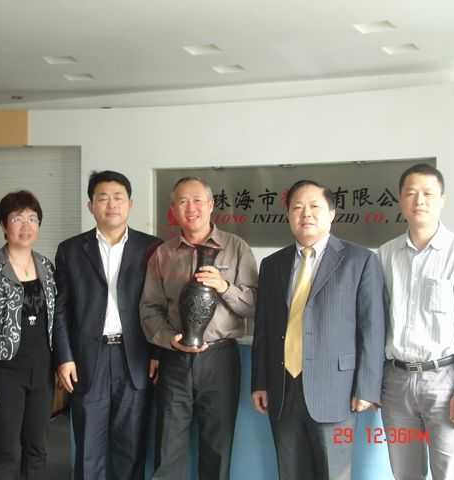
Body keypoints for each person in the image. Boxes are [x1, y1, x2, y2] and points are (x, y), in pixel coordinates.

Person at [251, 179, 386, 480]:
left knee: (333, 472)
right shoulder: (272, 264)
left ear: (332, 213)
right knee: (290, 472)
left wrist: (366, 387)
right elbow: (263, 328)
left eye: (315, 206)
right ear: (288, 215)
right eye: (297, 207)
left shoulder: (360, 260)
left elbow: (373, 328)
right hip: (283, 387)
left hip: (336, 389)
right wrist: (259, 381)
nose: (306, 214)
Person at [378, 164, 454, 480]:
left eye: (428, 194)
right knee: (405, 472)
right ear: (400, 200)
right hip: (396, 382)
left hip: (444, 382)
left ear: (442, 200)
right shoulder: (385, 255)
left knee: (450, 473)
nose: (419, 201)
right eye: (411, 193)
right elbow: (376, 323)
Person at [140, 176, 258, 480]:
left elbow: (255, 304)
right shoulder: (163, 254)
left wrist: (224, 287)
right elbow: (149, 309)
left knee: (217, 446)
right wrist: (169, 339)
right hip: (175, 359)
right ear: (173, 210)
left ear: (210, 205)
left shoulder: (236, 248)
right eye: (182, 202)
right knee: (168, 445)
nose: (190, 208)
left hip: (220, 359)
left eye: (197, 200)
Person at [54, 170, 161, 480]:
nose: (111, 204)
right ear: (91, 206)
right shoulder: (71, 249)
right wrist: (64, 357)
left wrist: (157, 352)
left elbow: (161, 304)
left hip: (135, 358)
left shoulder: (151, 248)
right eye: (102, 198)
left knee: (131, 447)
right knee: (88, 446)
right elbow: (60, 310)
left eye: (118, 197)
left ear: (130, 204)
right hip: (89, 359)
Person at [0, 190, 56, 480]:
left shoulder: (46, 266)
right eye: (17, 218)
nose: (26, 226)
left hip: (42, 370)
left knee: (38, 448)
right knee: (6, 450)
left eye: (32, 218)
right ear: (4, 225)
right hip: (5, 372)